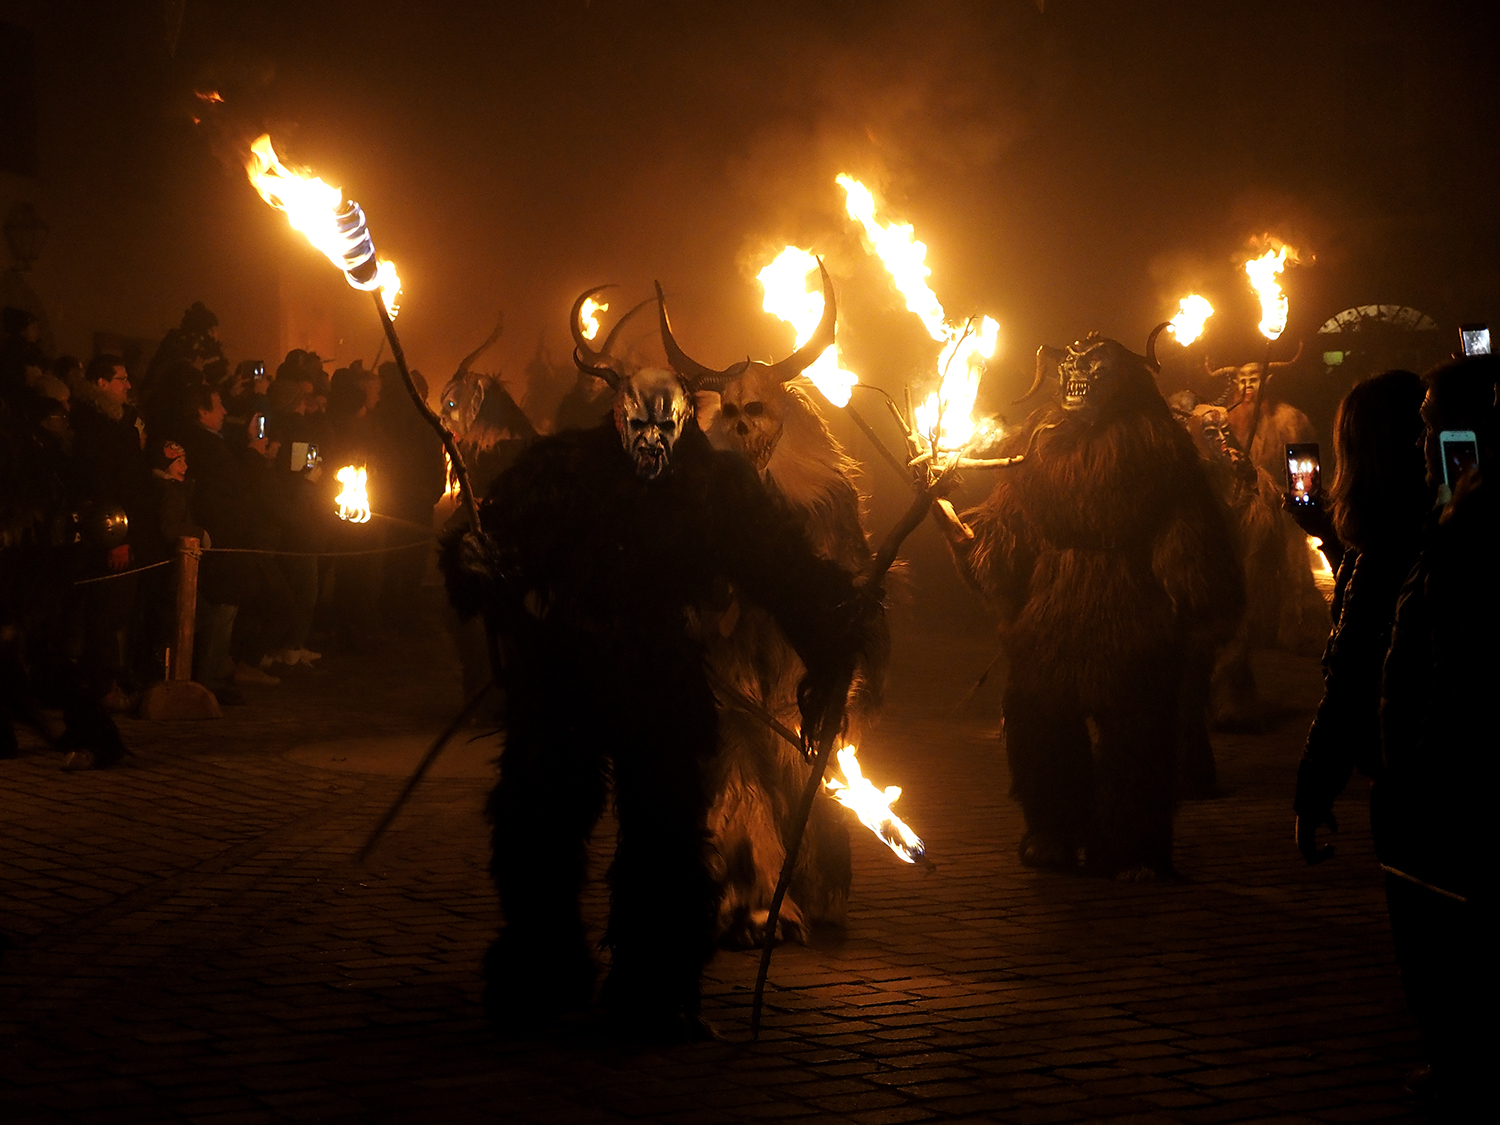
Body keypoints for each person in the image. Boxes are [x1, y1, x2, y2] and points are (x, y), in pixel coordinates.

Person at [1375, 355, 1496, 1115]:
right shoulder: (1447, 515)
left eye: (1432, 428)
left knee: (1451, 936)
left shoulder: (1474, 530)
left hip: (1456, 768)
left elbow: (1459, 655)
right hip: (1434, 763)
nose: (1423, 445)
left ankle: (1467, 1067)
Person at [1291, 370, 1431, 861]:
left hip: (1413, 773)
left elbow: (1351, 672)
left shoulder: (1389, 543)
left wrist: (1313, 789)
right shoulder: (1438, 522)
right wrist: (1329, 538)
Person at [68, 355, 150, 709]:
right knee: (106, 613)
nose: (127, 385)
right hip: (110, 535)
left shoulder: (106, 423)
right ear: (101, 384)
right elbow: (108, 486)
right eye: (121, 379)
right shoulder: (102, 428)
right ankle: (101, 687)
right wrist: (118, 538)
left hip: (111, 532)